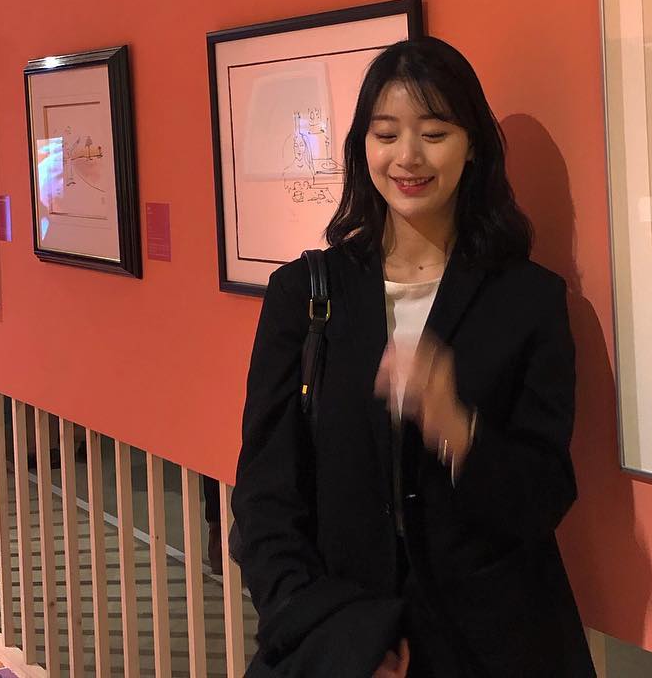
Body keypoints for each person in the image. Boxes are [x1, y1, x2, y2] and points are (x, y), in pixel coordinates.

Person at [232, 37, 595, 677]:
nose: (408, 157)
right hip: (350, 644)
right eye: (386, 134)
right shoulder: (305, 295)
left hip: (491, 651)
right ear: (362, 147)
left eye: (434, 133)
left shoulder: (529, 300)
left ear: (472, 145)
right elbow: (266, 500)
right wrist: (340, 640)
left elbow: (543, 498)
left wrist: (458, 429)